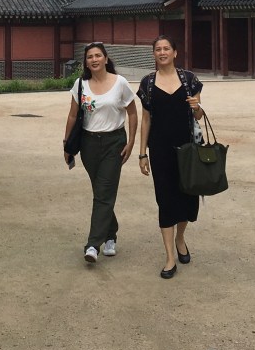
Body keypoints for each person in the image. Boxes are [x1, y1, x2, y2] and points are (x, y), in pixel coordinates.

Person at [136, 35, 204, 279]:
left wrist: (196, 106)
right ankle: (169, 257)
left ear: (175, 52)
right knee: (165, 201)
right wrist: (142, 153)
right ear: (153, 54)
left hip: (188, 149)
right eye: (158, 49)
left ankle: (180, 238)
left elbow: (199, 116)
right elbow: (145, 120)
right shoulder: (148, 83)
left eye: (167, 48)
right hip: (160, 150)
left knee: (188, 200)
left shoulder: (189, 80)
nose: (162, 52)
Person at [63, 42, 137, 264]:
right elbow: (73, 115)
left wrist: (132, 142)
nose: (94, 60)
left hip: (114, 142)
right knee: (101, 191)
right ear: (86, 62)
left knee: (103, 192)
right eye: (90, 57)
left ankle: (93, 244)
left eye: (98, 55)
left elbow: (132, 113)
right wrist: (67, 144)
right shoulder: (80, 84)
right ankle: (110, 234)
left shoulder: (120, 83)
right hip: (89, 144)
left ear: (106, 58)